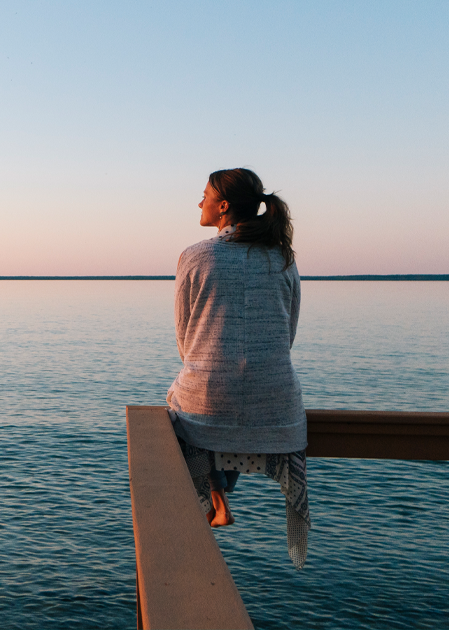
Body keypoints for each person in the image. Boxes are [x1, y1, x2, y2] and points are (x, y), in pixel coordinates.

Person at [166, 167, 311, 568]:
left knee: (185, 404)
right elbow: (289, 331)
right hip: (278, 401)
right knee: (227, 409)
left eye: (204, 195)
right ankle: (222, 491)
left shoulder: (195, 256)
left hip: (209, 398)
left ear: (223, 207)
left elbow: (185, 338)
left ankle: (217, 496)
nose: (199, 202)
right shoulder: (283, 257)